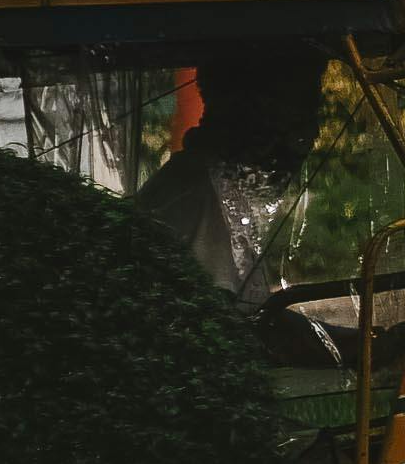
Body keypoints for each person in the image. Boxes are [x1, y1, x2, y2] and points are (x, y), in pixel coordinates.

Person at [136, 47, 330, 301]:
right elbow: (223, 327)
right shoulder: (197, 197)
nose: (310, 135)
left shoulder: (216, 187)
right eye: (297, 115)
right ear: (252, 114)